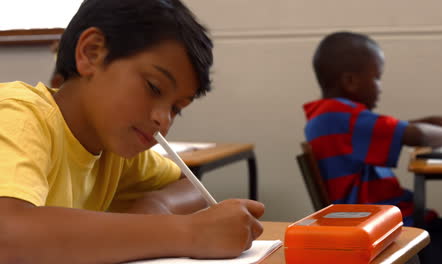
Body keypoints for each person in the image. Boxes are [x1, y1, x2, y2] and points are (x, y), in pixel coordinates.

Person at [0, 0, 264, 263]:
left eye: (176, 108)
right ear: (92, 53)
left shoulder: (113, 148)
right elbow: (7, 236)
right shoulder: (19, 116)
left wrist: (157, 207)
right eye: (154, 87)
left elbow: (190, 187)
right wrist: (189, 233)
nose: (164, 120)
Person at [303, 31, 442, 263]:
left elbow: (401, 126)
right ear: (350, 81)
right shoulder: (340, 116)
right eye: (377, 77)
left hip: (390, 224)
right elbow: (415, 134)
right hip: (387, 232)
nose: (380, 87)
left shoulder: (335, 116)